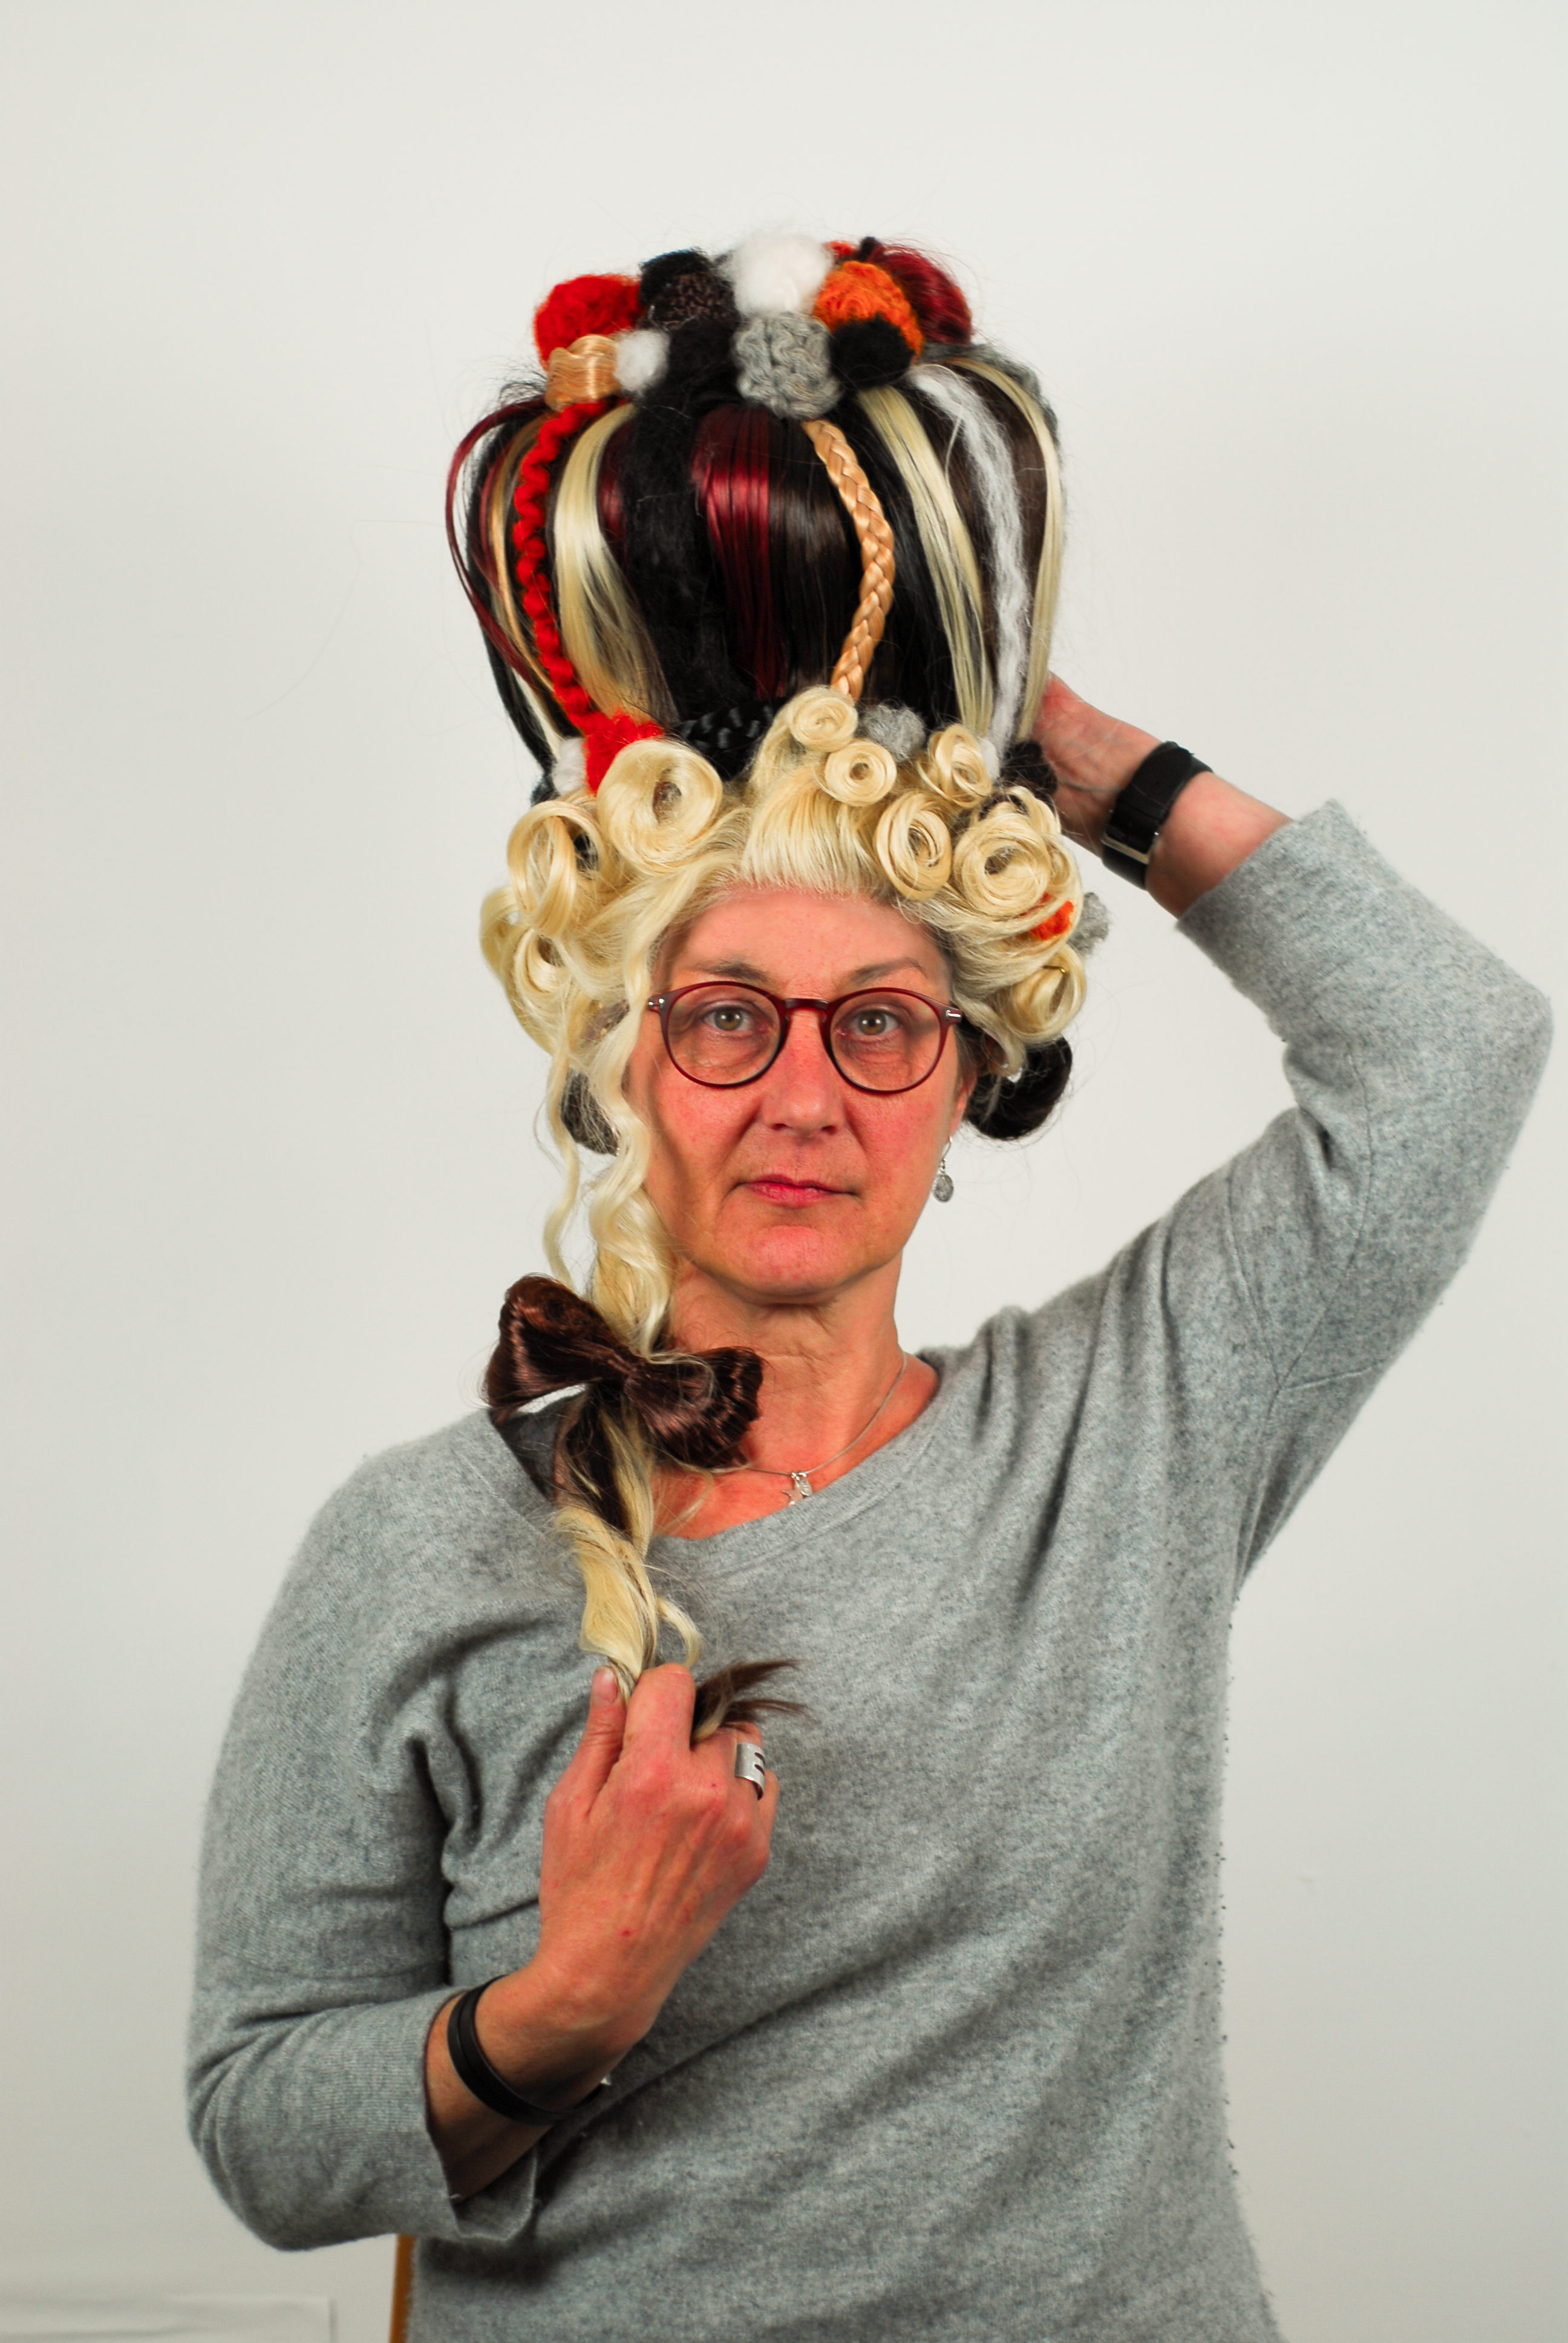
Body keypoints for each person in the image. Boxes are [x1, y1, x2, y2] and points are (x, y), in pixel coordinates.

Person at [187, 234, 1550, 2342]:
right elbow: (263, 2129)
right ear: (625, 1058)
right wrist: (560, 2011)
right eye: (730, 1014)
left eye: (882, 1024)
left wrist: (1046, 744)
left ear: (971, 1076)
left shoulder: (1138, 1429)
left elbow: (1452, 1050)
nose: (805, 1096)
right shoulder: (412, 1550)